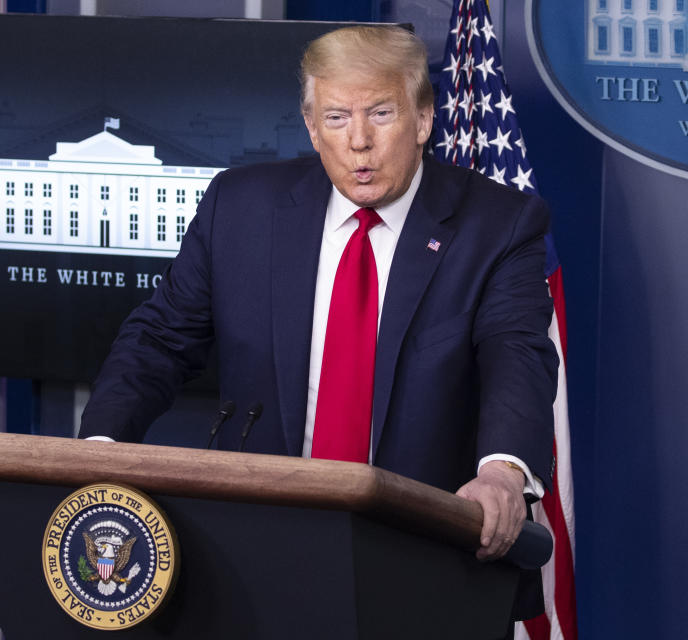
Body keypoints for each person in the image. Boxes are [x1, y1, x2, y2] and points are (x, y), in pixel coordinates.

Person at [79, 25, 557, 613]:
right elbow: (158, 339)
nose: (359, 142)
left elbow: (518, 353)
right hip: (256, 551)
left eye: (381, 113)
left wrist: (505, 473)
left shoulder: (498, 225)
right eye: (335, 119)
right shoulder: (240, 206)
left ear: (424, 118)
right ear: (311, 126)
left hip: (423, 560)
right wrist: (97, 448)